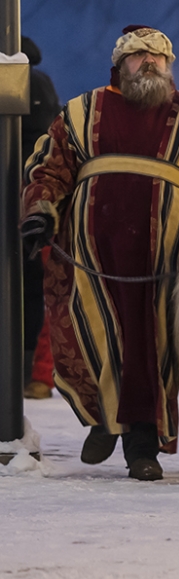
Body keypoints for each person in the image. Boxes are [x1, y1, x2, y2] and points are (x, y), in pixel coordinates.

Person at [21, 25, 179, 480]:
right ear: (119, 66)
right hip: (92, 258)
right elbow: (51, 166)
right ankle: (103, 420)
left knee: (152, 347)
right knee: (94, 337)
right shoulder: (82, 111)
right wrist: (40, 209)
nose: (150, 62)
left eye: (159, 57)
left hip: (165, 261)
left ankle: (142, 448)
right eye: (139, 56)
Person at [20, 35, 60, 401]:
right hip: (36, 200)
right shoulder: (42, 84)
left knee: (32, 286)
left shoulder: (28, 83)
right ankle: (38, 374)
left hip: (26, 200)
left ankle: (36, 372)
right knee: (41, 287)